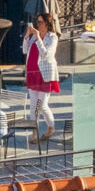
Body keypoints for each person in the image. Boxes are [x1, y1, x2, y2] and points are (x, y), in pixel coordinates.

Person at [23, 12, 62, 141]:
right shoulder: (34, 37)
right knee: (33, 105)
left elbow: (46, 55)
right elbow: (25, 50)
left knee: (42, 104)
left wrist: (38, 38)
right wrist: (27, 36)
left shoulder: (52, 37)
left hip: (45, 74)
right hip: (32, 73)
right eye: (37, 22)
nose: (38, 25)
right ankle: (34, 132)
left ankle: (51, 127)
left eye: (40, 22)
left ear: (47, 23)